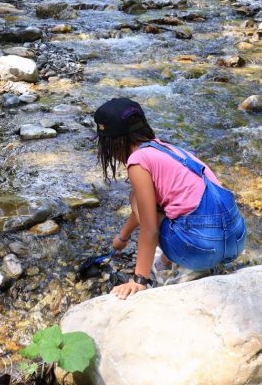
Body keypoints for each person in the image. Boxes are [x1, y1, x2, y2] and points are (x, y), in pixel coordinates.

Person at [93, 97, 246, 299]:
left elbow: (149, 227)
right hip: (236, 239)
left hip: (203, 249)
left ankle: (180, 264)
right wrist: (123, 237)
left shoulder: (137, 162)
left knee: (136, 198)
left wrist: (140, 280)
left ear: (112, 142)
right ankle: (172, 258)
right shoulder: (167, 149)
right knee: (162, 204)